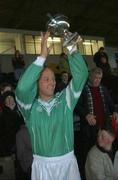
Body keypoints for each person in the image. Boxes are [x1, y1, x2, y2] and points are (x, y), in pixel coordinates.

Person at [15, 31, 88, 180]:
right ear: (36, 84)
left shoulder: (65, 100)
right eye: (46, 79)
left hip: (67, 164)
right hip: (42, 167)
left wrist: (72, 48)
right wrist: (41, 57)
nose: (52, 82)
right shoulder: (29, 108)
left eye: (53, 79)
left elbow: (81, 75)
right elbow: (22, 89)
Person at [75, 67, 118, 179]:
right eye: (95, 77)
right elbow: (77, 106)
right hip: (89, 129)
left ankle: (105, 172)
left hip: (104, 127)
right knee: (88, 154)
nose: (97, 80)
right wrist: (86, 114)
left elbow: (111, 103)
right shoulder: (83, 89)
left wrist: (114, 111)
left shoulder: (103, 89)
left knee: (105, 152)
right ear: (90, 76)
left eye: (99, 78)